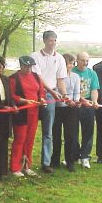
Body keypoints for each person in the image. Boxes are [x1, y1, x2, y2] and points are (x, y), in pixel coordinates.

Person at [30, 30, 67, 173]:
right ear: (45, 41)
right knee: (30, 129)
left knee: (48, 130)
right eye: (50, 40)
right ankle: (25, 161)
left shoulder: (60, 59)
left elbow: (60, 79)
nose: (53, 43)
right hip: (35, 93)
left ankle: (46, 162)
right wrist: (51, 92)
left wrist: (64, 94)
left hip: (51, 95)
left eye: (55, 40)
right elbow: (38, 77)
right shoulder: (35, 56)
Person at [9, 56, 46, 177]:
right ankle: (15, 167)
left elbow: (41, 90)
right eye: (26, 66)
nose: (28, 68)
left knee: (30, 139)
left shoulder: (35, 76)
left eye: (30, 66)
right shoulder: (14, 78)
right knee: (20, 139)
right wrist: (23, 100)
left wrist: (41, 98)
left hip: (34, 112)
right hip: (21, 113)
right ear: (21, 66)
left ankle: (27, 166)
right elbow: (11, 95)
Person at [51, 54, 80, 172]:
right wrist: (66, 100)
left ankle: (70, 161)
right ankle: (55, 160)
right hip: (58, 107)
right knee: (56, 135)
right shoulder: (56, 76)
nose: (70, 66)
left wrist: (76, 101)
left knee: (71, 135)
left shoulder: (75, 77)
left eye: (72, 63)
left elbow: (77, 92)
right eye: (68, 63)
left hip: (71, 108)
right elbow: (56, 91)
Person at [72, 52, 99, 169]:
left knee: (88, 131)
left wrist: (95, 101)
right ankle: (74, 156)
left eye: (87, 61)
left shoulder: (92, 73)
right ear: (77, 60)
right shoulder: (72, 72)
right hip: (75, 102)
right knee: (73, 131)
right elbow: (72, 91)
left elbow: (94, 89)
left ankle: (85, 156)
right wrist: (82, 100)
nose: (85, 63)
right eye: (83, 60)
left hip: (88, 103)